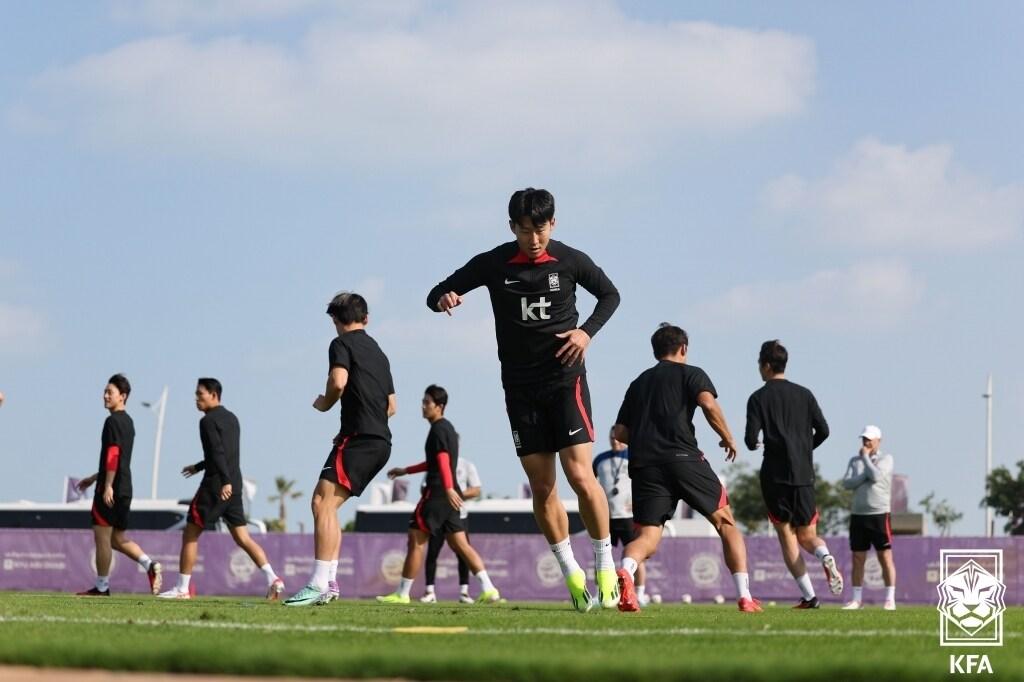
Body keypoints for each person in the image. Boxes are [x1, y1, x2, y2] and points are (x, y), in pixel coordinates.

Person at [426, 188, 621, 611]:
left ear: (553, 223)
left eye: (541, 229)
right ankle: (571, 574)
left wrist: (586, 332)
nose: (533, 239)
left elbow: (611, 295)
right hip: (520, 387)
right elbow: (435, 292)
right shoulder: (494, 263)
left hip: (564, 379)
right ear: (512, 227)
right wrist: (444, 298)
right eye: (525, 230)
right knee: (542, 485)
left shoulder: (570, 260)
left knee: (580, 476)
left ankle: (605, 567)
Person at [612, 325, 761, 613]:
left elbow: (620, 432)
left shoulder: (639, 382)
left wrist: (647, 439)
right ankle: (745, 596)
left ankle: (627, 571)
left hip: (645, 466)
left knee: (648, 537)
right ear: (683, 348)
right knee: (726, 522)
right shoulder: (691, 373)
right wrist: (727, 437)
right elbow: (708, 404)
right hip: (684, 459)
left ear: (655, 351)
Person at [284, 292, 396, 606]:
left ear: (336, 321)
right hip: (379, 441)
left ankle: (319, 583)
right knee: (329, 508)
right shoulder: (379, 352)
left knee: (321, 503)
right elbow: (391, 406)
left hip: (360, 439)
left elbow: (338, 382)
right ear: (366, 319)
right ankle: (330, 582)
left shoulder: (341, 344)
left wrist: (324, 403)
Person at [159, 378, 283, 600]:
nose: (197, 399)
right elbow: (224, 453)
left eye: (201, 394)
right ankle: (272, 577)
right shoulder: (232, 418)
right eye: (196, 395)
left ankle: (182, 588)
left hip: (217, 485)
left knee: (190, 533)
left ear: (214, 395)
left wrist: (223, 481)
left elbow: (217, 453)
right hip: (235, 485)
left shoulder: (207, 421)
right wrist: (199, 467)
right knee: (243, 537)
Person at [377, 385, 500, 604]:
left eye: (427, 402)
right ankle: (489, 588)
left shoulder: (438, 429)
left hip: (438, 494)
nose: (423, 406)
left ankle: (402, 594)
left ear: (439, 406)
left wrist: (449, 487)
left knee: (415, 540)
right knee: (461, 544)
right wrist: (406, 470)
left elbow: (443, 460)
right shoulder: (448, 429)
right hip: (450, 496)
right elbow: (434, 461)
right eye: (423, 401)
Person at [745, 340, 842, 609]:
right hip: (803, 474)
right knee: (809, 535)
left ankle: (810, 597)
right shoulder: (805, 394)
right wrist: (803, 448)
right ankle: (824, 555)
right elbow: (823, 430)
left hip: (775, 477)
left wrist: (755, 443)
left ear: (765, 366)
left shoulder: (758, 398)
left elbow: (750, 439)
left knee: (787, 536)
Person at [75, 374, 162, 596]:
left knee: (102, 537)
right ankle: (149, 564)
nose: (105, 396)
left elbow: (113, 455)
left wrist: (107, 485)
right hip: (126, 488)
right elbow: (119, 459)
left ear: (122, 396)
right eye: (104, 391)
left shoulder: (112, 421)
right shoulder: (129, 422)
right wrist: (95, 477)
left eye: (109, 392)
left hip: (112, 489)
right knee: (117, 539)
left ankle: (102, 587)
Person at [841, 425, 896, 610]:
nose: (866, 442)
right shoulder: (854, 461)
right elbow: (847, 483)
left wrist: (865, 460)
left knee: (884, 557)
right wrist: (865, 474)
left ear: (878, 441)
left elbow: (876, 476)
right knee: (857, 557)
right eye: (864, 438)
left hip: (879, 514)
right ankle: (857, 599)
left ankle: (890, 599)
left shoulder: (886, 459)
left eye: (870, 439)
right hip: (858, 515)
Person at [593, 427, 648, 606]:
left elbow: (646, 481)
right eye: (612, 438)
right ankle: (600, 593)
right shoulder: (599, 460)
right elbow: (591, 485)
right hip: (606, 515)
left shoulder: (635, 456)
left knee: (635, 555)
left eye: (618, 438)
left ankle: (639, 593)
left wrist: (639, 502)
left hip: (628, 516)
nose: (615, 441)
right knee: (600, 555)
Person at [421, 452, 483, 604]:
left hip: (458, 515)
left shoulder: (467, 465)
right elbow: (423, 488)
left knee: (463, 552)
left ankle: (464, 592)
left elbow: (476, 490)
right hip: (438, 515)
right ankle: (429, 592)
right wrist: (440, 497)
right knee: (432, 552)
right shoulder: (435, 463)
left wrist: (454, 495)